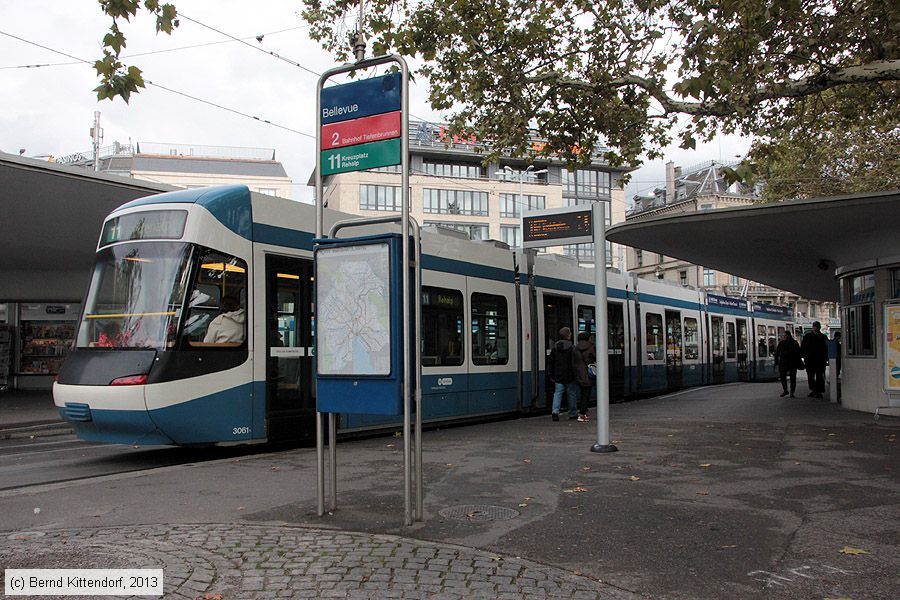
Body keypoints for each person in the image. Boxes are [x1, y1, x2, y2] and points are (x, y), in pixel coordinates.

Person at [547, 326, 579, 421]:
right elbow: (575, 362)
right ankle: (573, 413)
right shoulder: (572, 348)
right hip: (570, 375)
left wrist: (551, 374)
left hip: (558, 375)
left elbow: (551, 363)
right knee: (571, 394)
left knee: (557, 393)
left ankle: (555, 412)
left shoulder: (555, 349)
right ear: (568, 335)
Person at [801, 321, 828, 398]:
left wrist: (825, 358)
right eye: (814, 326)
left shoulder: (823, 337)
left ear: (819, 327)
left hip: (820, 360)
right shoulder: (808, 336)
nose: (815, 328)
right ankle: (814, 390)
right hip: (810, 360)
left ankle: (818, 391)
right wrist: (804, 356)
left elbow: (826, 349)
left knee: (820, 376)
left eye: (817, 326)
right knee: (810, 376)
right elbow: (803, 347)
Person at [573, 331, 596, 422]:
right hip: (588, 373)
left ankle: (583, 412)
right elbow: (596, 357)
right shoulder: (591, 347)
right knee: (587, 394)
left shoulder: (575, 348)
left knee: (583, 393)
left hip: (579, 374)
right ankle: (582, 413)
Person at [774, 330, 802, 397]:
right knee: (787, 378)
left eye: (785, 335)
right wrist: (776, 361)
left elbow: (798, 353)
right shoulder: (787, 343)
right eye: (784, 336)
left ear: (788, 336)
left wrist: (777, 361)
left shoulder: (791, 343)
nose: (784, 337)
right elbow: (777, 352)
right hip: (787, 363)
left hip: (789, 363)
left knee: (789, 378)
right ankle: (788, 391)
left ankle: (789, 391)